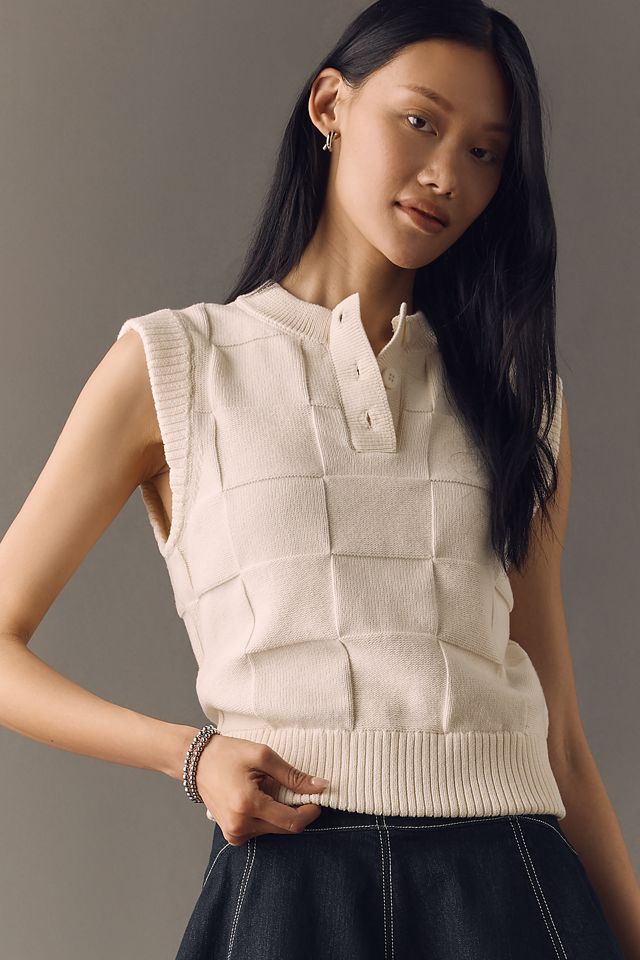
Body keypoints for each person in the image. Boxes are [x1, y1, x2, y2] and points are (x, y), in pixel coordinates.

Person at [0, 1, 638, 958]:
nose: (446, 175)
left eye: (485, 153)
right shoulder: (177, 363)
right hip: (288, 885)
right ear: (331, 105)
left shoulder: (519, 398)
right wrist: (191, 756)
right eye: (420, 121)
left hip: (510, 884)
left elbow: (561, 743)